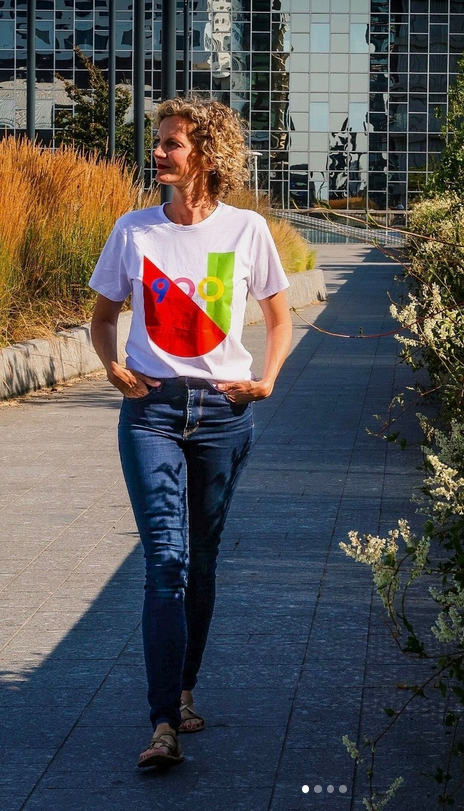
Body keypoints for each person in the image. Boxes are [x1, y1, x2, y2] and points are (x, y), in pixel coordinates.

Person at [89, 98, 292, 769]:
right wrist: (111, 364)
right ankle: (163, 723)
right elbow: (102, 314)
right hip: (149, 410)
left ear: (206, 154)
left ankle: (183, 690)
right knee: (165, 561)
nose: (160, 153)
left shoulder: (247, 231)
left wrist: (267, 378)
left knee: (199, 560)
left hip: (222, 415)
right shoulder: (134, 231)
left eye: (174, 144)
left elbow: (279, 316)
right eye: (160, 142)